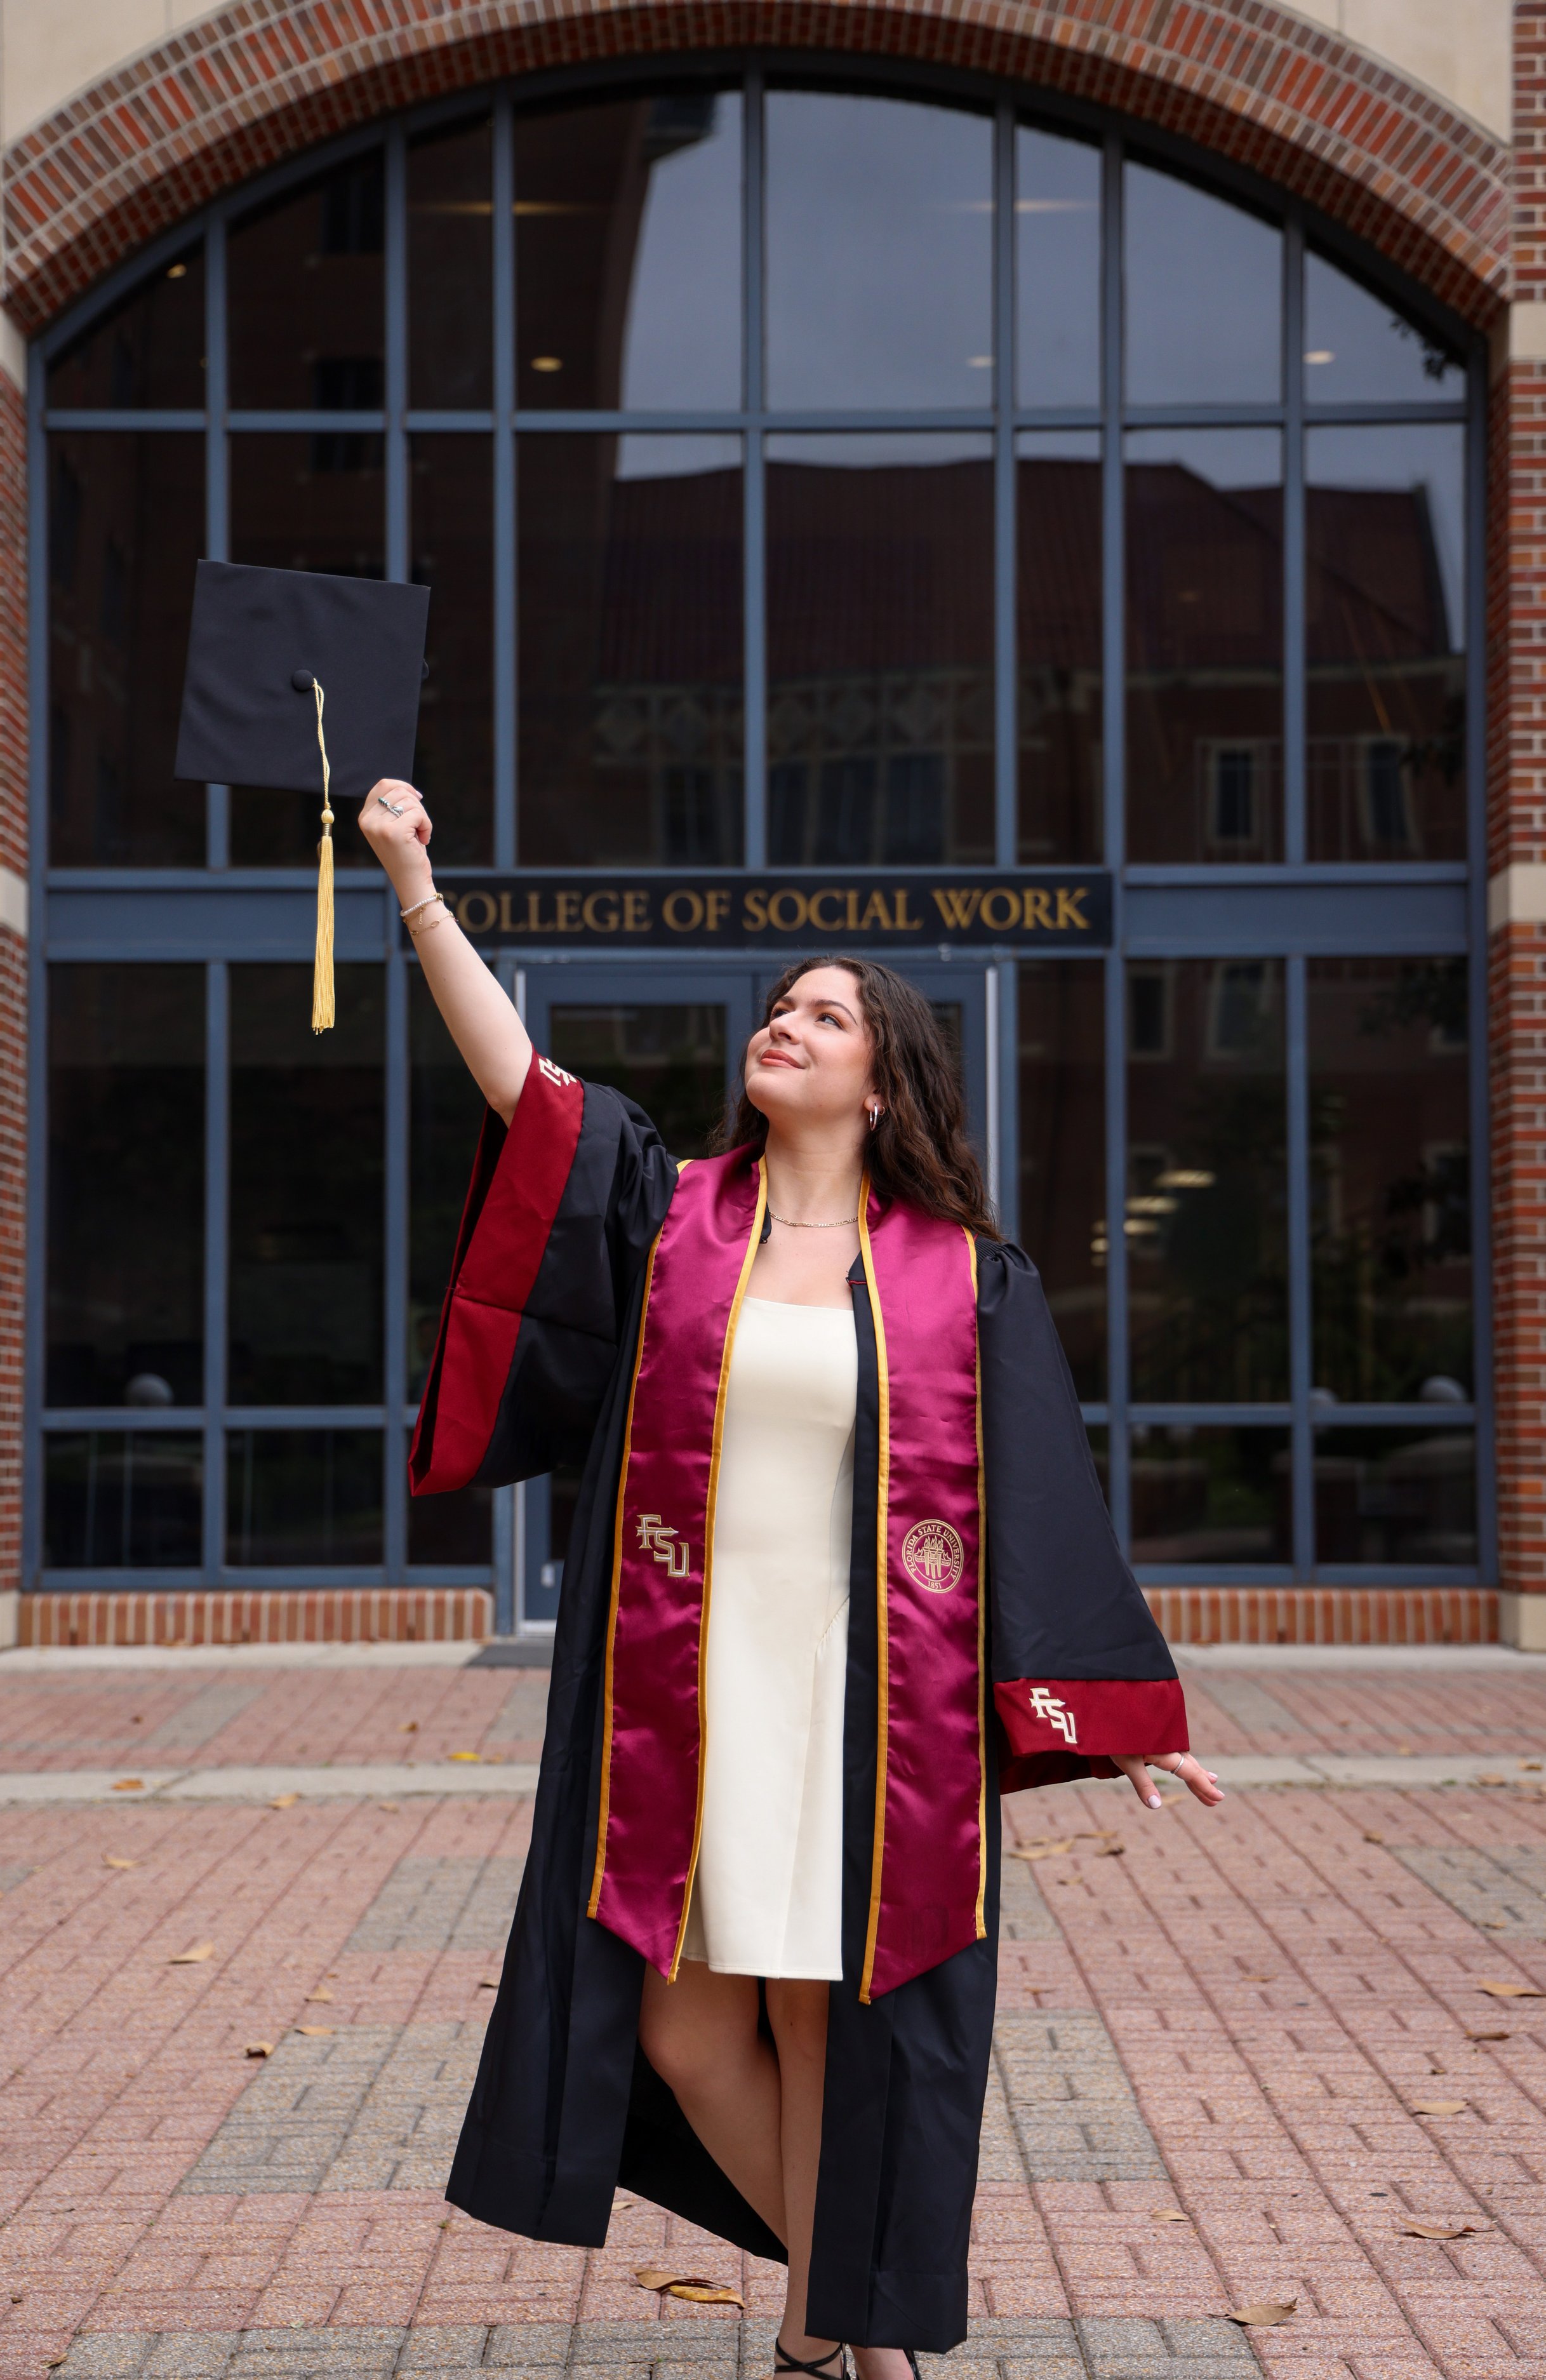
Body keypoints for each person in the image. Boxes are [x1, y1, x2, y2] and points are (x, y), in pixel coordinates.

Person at [361, 779, 1223, 2380]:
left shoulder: (965, 1274)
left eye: (825, 1016)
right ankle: (852, 2293)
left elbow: (1038, 1497)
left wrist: (1118, 1709)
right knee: (689, 2026)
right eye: (779, 1007)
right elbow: (522, 1083)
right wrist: (413, 881)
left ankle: (833, 2327)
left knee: (834, 2019)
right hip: (685, 1677)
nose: (788, 1025)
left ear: (883, 1079)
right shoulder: (673, 1211)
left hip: (866, 1695)